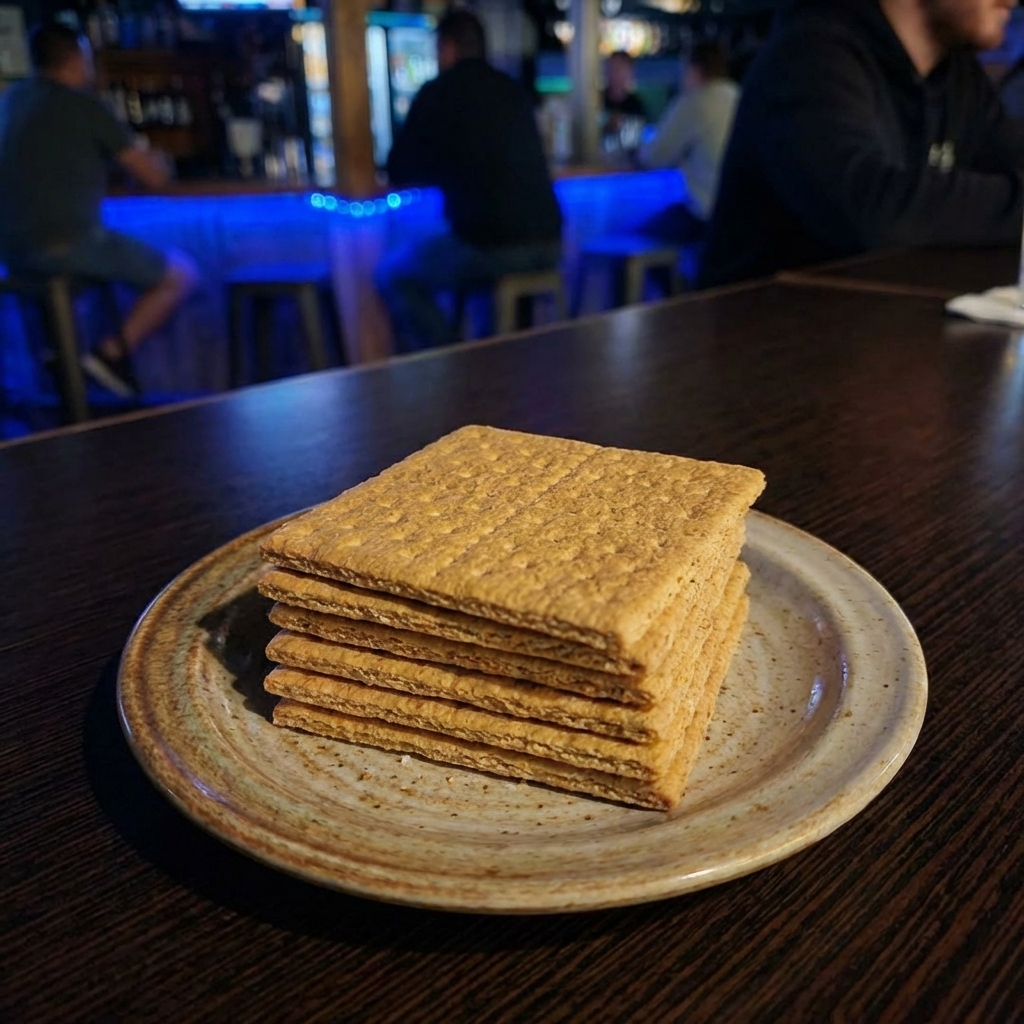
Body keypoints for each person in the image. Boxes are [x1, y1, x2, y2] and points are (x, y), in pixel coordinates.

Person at [698, 0, 1024, 288]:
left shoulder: (957, 76)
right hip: (758, 342)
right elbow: (869, 212)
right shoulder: (809, 51)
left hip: (884, 332)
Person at [0, 22, 198, 397]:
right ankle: (107, 357)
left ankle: (61, 364)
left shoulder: (11, 101)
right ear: (77, 59)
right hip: (69, 245)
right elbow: (153, 178)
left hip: (11, 255)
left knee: (65, 285)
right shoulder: (83, 104)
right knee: (182, 275)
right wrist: (158, 161)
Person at [375, 10, 563, 353]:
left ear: (446, 48)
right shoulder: (513, 90)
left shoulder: (438, 93)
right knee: (466, 262)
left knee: (392, 275)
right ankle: (490, 360)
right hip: (552, 241)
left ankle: (454, 362)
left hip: (490, 246)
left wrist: (443, 167)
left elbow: (398, 169)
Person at [635, 41, 739, 247]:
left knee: (636, 234)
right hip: (739, 215)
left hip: (706, 214)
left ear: (694, 69)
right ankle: (680, 278)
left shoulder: (695, 101)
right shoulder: (737, 95)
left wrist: (634, 154)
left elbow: (653, 157)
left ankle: (670, 279)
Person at [602, 50, 647, 153]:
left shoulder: (637, 106)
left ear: (630, 72)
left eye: (620, 68)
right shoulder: (595, 103)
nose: (615, 74)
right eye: (612, 68)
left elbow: (639, 143)